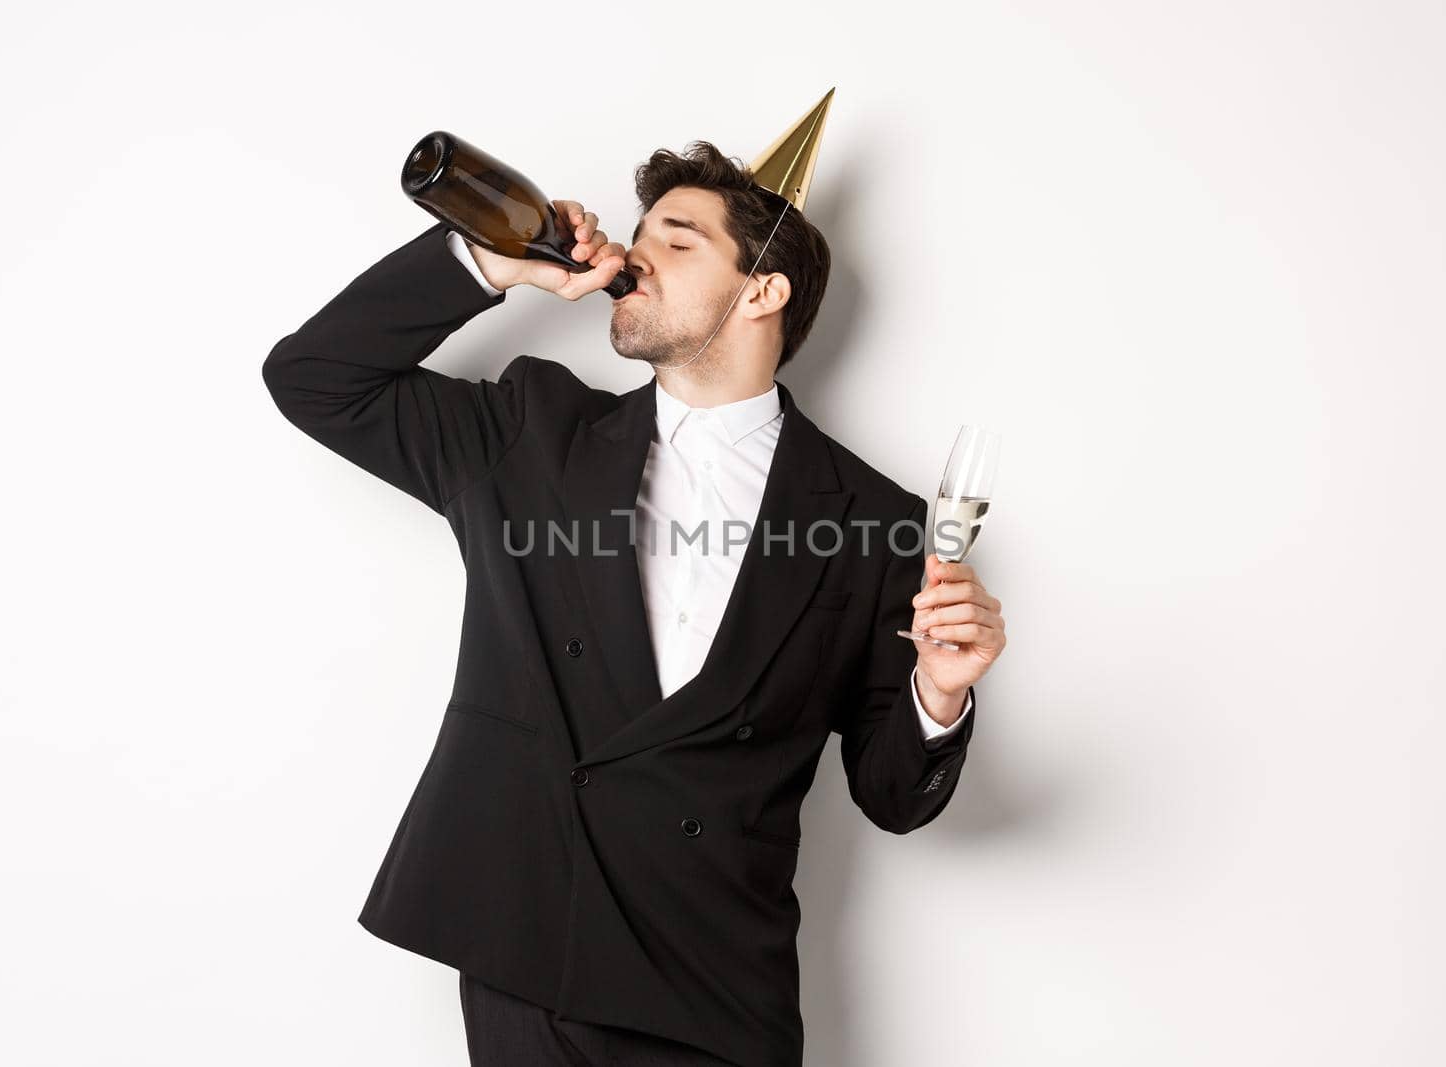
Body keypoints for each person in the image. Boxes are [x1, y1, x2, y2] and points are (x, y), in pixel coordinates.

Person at [262, 102, 1006, 1067]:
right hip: (532, 945)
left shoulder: (874, 519)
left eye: (677, 237)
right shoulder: (532, 433)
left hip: (716, 982)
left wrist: (939, 695)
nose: (633, 253)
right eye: (640, 232)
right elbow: (314, 377)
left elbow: (896, 795)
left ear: (762, 291)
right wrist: (494, 265)